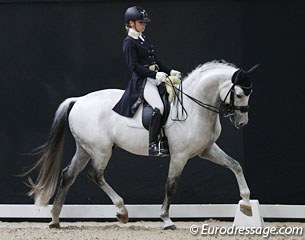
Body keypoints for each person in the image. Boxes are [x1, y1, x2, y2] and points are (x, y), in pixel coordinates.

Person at [113, 6, 181, 156]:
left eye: (144, 22)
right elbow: (134, 66)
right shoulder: (129, 42)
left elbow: (156, 60)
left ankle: (164, 139)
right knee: (158, 107)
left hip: (154, 78)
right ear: (131, 23)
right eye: (141, 22)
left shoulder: (143, 38)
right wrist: (154, 75)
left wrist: (170, 71)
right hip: (142, 81)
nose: (144, 25)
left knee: (169, 102)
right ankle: (152, 144)